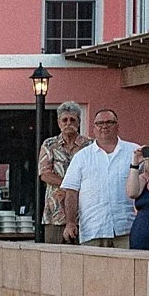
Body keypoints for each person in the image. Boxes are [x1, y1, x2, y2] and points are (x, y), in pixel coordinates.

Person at [59, 108, 136, 246]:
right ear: (93, 128)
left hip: (127, 229)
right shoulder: (81, 157)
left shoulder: (134, 152)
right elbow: (71, 193)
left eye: (109, 122)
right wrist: (70, 223)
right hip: (93, 230)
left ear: (117, 126)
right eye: (100, 123)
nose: (104, 126)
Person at [38, 102, 86, 245]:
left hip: (83, 213)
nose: (68, 123)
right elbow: (45, 174)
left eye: (72, 120)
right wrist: (71, 184)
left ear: (79, 122)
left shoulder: (89, 145)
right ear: (59, 123)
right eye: (64, 120)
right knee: (52, 255)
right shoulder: (49, 145)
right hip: (55, 213)